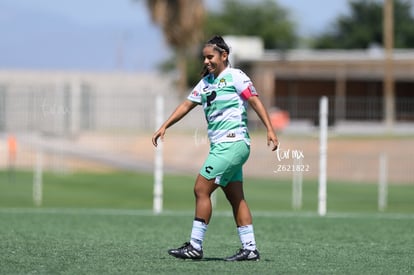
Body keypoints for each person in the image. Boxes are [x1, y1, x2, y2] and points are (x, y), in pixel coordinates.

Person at [152, 35, 278, 261]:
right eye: (204, 58)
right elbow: (186, 105)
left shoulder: (235, 76)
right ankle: (250, 249)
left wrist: (270, 129)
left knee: (201, 189)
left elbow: (255, 100)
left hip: (233, 143)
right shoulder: (207, 82)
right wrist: (164, 126)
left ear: (224, 55)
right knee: (236, 197)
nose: (206, 61)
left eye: (210, 57)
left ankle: (195, 246)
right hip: (224, 146)